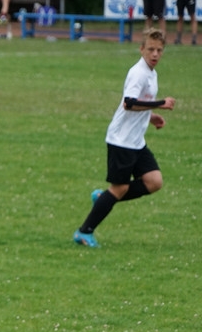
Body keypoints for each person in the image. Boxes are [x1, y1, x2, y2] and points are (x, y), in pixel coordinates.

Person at [73, 30, 176, 248]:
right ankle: (84, 232)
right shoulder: (138, 73)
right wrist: (160, 104)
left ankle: (105, 198)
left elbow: (138, 103)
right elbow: (129, 103)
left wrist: (151, 117)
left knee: (154, 182)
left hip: (136, 141)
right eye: (151, 49)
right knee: (118, 188)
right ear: (141, 49)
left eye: (159, 50)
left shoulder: (151, 73)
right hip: (121, 140)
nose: (155, 54)